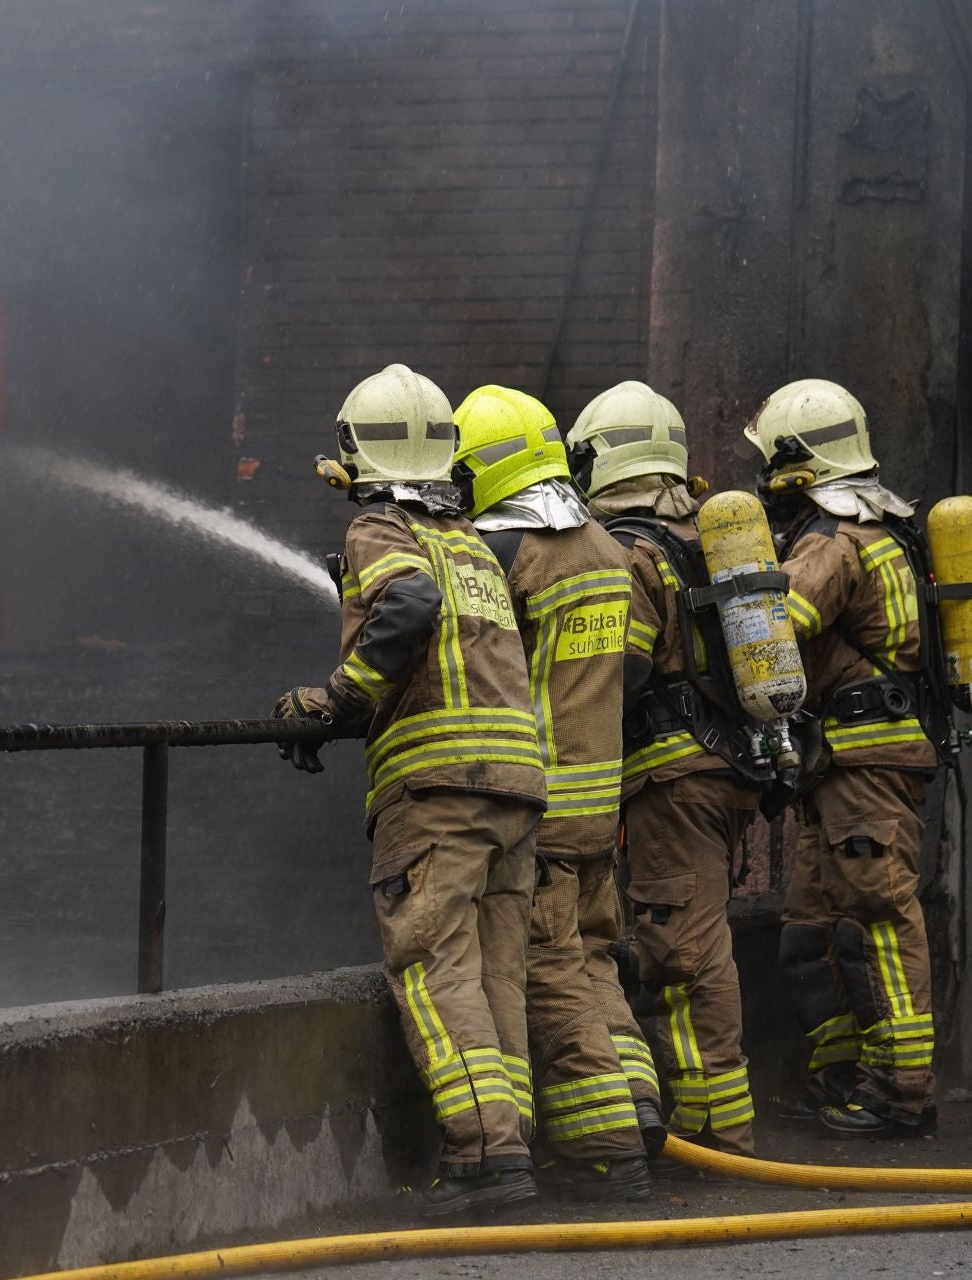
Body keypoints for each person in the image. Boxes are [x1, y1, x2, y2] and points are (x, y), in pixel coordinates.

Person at [273, 364, 548, 1214]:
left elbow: (408, 608)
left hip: (440, 795)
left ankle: (482, 1155)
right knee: (497, 973)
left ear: (358, 452)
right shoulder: (471, 543)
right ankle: (512, 1145)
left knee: (433, 966)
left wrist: (335, 700)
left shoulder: (380, 529)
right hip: (514, 791)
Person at [450, 384, 651, 1201]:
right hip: (600, 800)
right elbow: (631, 668)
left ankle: (608, 1150)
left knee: (548, 969)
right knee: (594, 956)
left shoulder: (508, 554)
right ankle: (639, 1104)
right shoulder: (603, 545)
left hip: (540, 807)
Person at [567, 380, 769, 1158]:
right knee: (698, 940)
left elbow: (619, 670)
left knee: (681, 950)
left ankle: (715, 1131)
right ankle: (714, 1122)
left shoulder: (631, 553)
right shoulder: (701, 536)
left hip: (672, 778)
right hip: (721, 765)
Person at [745, 377, 940, 1138]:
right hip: (845, 767)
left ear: (796, 463)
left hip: (865, 764)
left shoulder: (834, 540)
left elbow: (775, 629)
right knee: (813, 927)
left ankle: (900, 1091)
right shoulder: (888, 527)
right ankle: (841, 1075)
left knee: (879, 917)